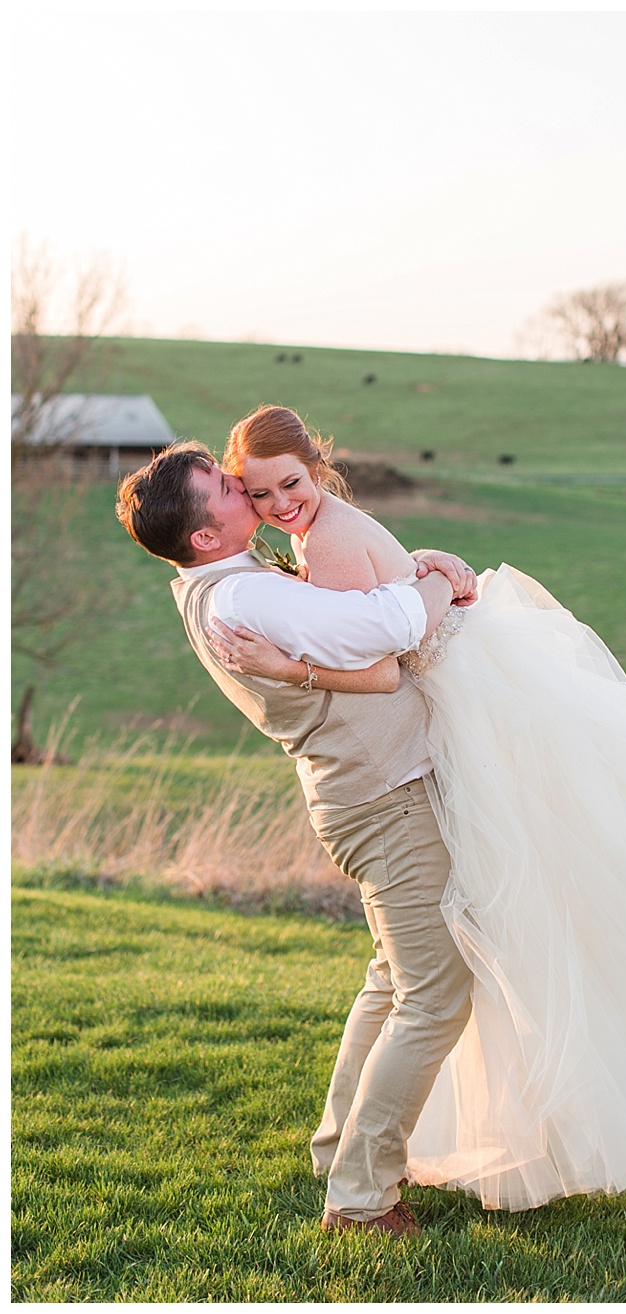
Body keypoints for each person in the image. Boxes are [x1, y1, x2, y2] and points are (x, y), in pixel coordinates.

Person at [205, 405, 626, 1214]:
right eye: (258, 491)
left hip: (463, 725)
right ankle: (346, 1165)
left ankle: (350, 1174)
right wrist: (424, 570)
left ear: (318, 468)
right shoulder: (319, 539)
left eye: (290, 485)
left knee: (428, 966)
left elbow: (384, 666)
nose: (277, 504)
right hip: (452, 724)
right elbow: (388, 617)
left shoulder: (331, 540)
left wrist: (293, 663)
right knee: (410, 975)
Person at [116, 440, 481, 1237]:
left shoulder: (224, 585)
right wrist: (434, 577)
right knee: (436, 994)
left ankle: (334, 1151)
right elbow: (380, 629)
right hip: (384, 798)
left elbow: (360, 618)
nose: (239, 482)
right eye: (221, 485)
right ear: (205, 534)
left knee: (393, 979)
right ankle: (359, 1199)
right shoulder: (244, 599)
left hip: (361, 795)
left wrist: (418, 561)